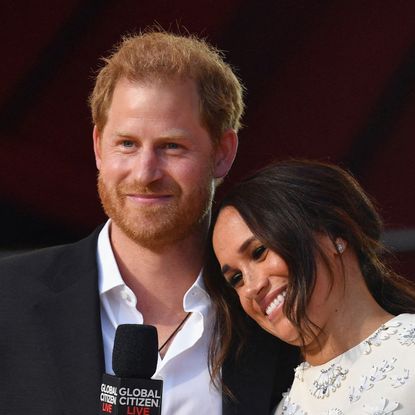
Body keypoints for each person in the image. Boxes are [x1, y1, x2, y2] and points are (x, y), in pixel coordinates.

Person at [0, 30, 297, 414]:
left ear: (223, 153)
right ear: (97, 147)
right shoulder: (9, 299)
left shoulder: (279, 310)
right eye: (126, 144)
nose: (145, 173)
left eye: (171, 146)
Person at [211, 159, 415, 414]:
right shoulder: (279, 408)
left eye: (259, 252)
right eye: (236, 279)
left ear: (332, 233)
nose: (251, 288)